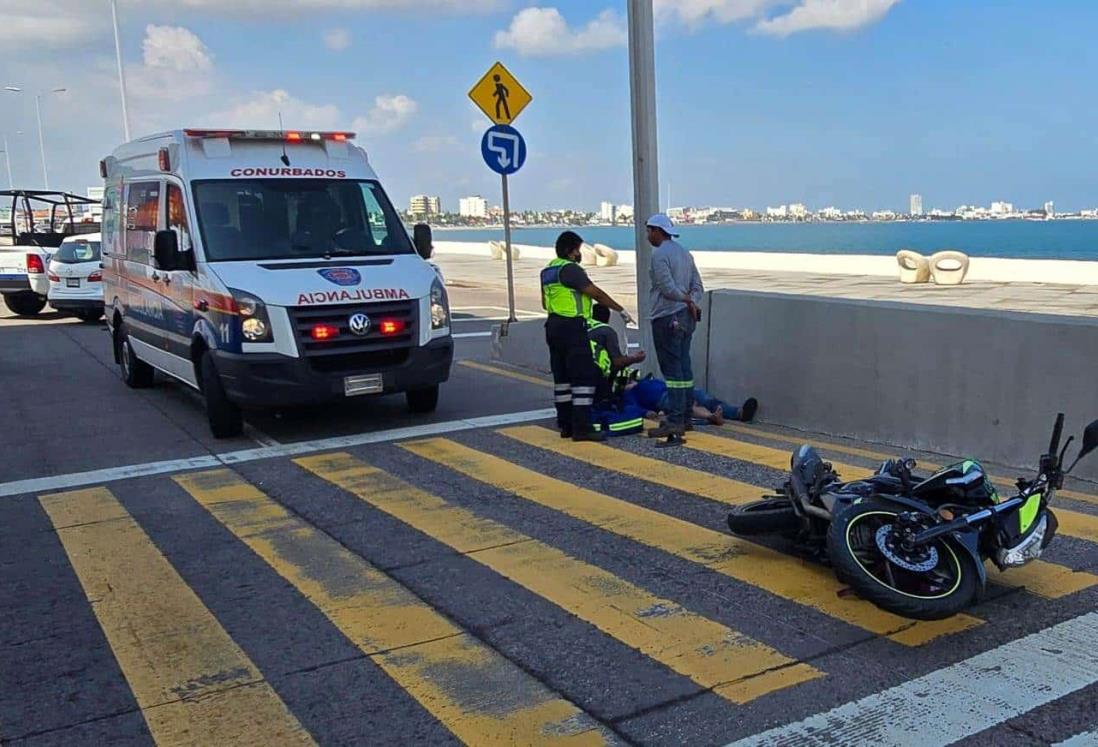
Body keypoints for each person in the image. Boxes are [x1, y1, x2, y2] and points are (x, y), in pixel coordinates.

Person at [542, 231, 634, 441]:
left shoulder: (547, 271)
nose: (579, 253)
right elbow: (596, 294)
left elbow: (544, 303)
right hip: (572, 327)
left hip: (553, 326)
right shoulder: (571, 269)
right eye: (577, 249)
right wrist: (621, 310)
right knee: (582, 378)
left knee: (562, 379)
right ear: (569, 251)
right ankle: (582, 428)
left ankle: (565, 424)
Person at [646, 213, 704, 443]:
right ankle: (686, 415)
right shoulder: (685, 253)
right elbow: (698, 286)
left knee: (672, 372)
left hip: (667, 316)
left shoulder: (659, 255)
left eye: (649, 230)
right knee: (684, 367)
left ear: (658, 231)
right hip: (686, 319)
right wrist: (692, 301)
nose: (648, 235)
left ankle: (676, 419)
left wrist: (684, 300)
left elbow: (666, 287)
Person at [625, 376, 759, 426]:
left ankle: (738, 413)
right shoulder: (631, 394)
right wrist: (646, 412)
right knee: (688, 406)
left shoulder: (646, 381)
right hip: (663, 399)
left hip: (676, 388)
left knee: (706, 399)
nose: (629, 384)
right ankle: (711, 416)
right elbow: (633, 408)